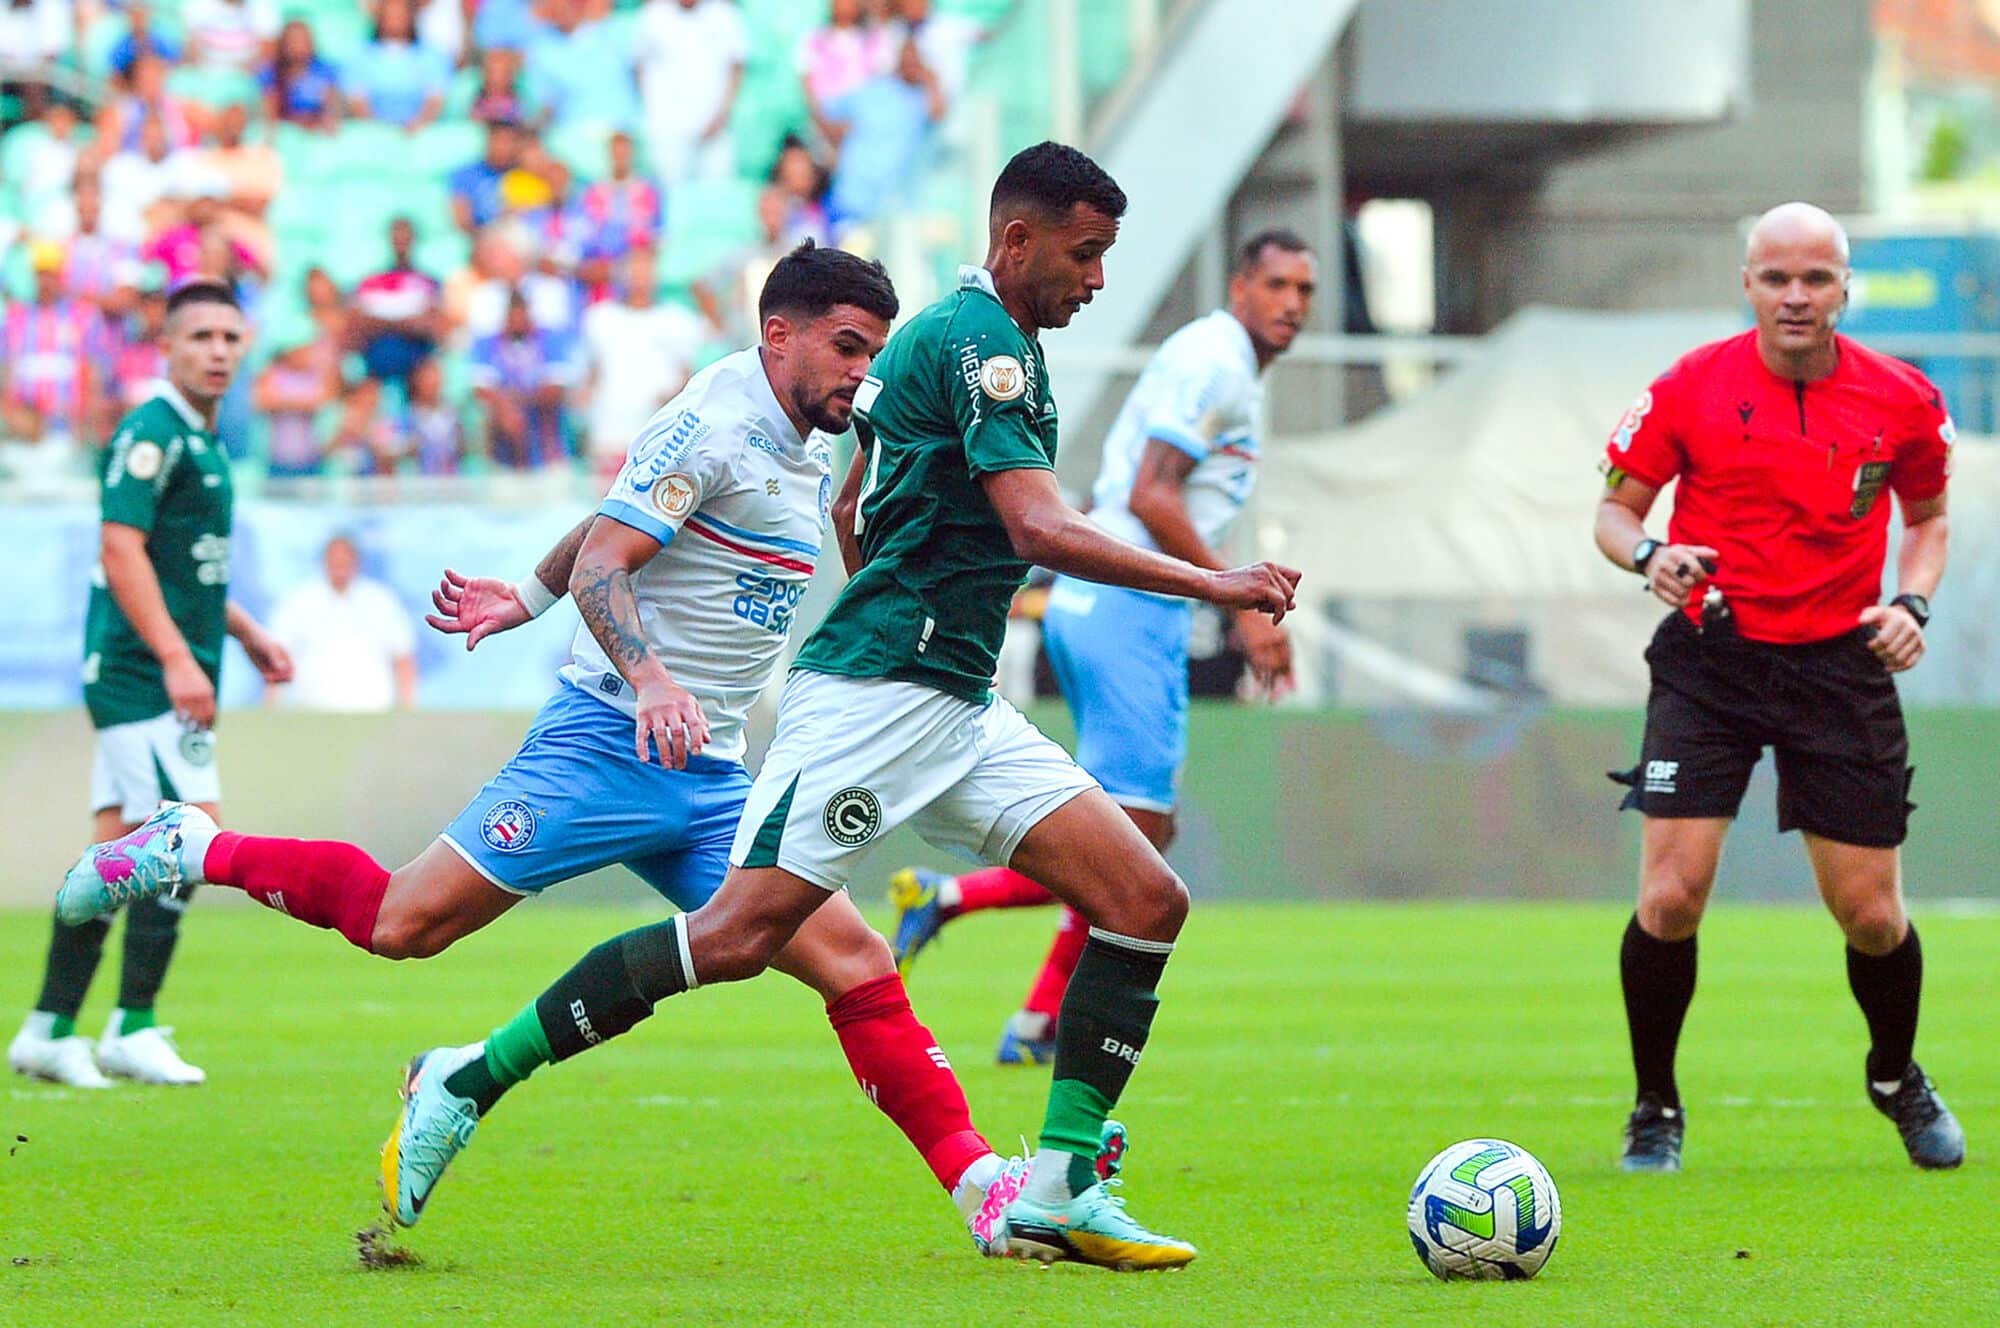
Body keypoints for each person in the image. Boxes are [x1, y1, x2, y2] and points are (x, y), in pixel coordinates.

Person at [392, 141, 1294, 1271]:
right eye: (1085, 253)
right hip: (875, 695)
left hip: (953, 694)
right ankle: (469, 1073)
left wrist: (888, 564)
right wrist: (1215, 582)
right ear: (1016, 241)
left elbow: (859, 488)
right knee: (732, 937)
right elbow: (1036, 527)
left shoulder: (990, 345)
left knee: (1143, 895)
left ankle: (1057, 1188)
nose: (1097, 278)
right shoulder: (977, 345)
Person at [57, 246, 1051, 1256]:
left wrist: (525, 592)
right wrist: (650, 674)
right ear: (778, 333)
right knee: (403, 923)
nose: (859, 370)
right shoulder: (712, 417)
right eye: (845, 346)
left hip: (704, 774)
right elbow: (612, 561)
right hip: (604, 743)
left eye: (872, 352)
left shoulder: (804, 438)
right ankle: (197, 845)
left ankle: (978, 1185)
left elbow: (619, 509)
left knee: (852, 957)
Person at [889, 229, 1318, 1065]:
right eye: (1276, 285)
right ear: (1239, 288)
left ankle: (1030, 1012)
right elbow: (1151, 494)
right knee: (1135, 838)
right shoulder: (1219, 363)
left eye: (1304, 290)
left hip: (1099, 605)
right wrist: (1242, 605)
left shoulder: (1212, 357)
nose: (1292, 304)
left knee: (1130, 829)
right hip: (1129, 607)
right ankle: (971, 929)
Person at [1596, 202, 1962, 1173]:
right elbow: (1612, 508)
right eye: (1774, 277)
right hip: (1709, 658)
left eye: (1814, 278)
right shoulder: (1688, 386)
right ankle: (1653, 1106)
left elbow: (1927, 519)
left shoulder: (1903, 398)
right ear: (1746, 284)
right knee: (1670, 896)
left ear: (1845, 286)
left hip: (1837, 665)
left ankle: (1893, 1074)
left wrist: (1910, 606)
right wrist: (1648, 554)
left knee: (1873, 917)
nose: (1794, 295)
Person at [7, 279, 292, 1089]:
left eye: (231, 338)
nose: (218, 351)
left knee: (116, 850)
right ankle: (131, 1024)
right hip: (142, 677)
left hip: (164, 670)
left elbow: (182, 568)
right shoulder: (153, 431)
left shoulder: (204, 440)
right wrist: (175, 658)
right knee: (190, 835)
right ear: (165, 345)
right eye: (200, 336)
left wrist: (246, 633)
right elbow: (121, 548)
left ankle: (47, 1027)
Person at [579, 245, 709, 477]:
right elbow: (592, 374)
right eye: (634, 269)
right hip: (611, 433)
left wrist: (672, 397)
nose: (640, 277)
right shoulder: (600, 317)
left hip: (660, 437)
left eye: (646, 269)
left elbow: (689, 375)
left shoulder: (677, 319)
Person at [268, 535, 419, 711]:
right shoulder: (300, 601)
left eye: (345, 559)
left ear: (356, 563)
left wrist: (408, 709)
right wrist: (272, 708)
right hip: (313, 711)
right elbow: (277, 657)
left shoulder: (380, 600)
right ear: (324, 562)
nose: (340, 565)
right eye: (334, 560)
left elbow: (403, 657)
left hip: (372, 710)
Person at [822, 35, 943, 229]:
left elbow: (938, 114)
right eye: (906, 56)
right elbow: (827, 110)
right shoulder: (874, 89)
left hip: (892, 207)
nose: (910, 62)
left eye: (915, 58)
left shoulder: (920, 100)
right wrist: (836, 142)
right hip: (852, 196)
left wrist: (931, 79)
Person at [631, 0, 747, 186]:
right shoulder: (653, 15)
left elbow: (736, 67)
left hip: (714, 129)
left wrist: (722, 116)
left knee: (717, 191)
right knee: (671, 194)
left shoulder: (723, 14)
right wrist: (657, 113)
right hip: (667, 130)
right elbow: (639, 66)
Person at [469, 289, 576, 469]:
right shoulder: (487, 344)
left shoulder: (550, 340)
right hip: (502, 451)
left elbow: (553, 389)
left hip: (545, 446)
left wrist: (516, 403)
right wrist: (506, 409)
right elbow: (481, 389)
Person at [349, 216, 444, 392]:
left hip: (416, 367)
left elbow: (432, 327)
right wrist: (406, 323)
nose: (401, 243)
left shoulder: (429, 283)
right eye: (396, 237)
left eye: (405, 238)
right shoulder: (372, 282)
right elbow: (358, 325)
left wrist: (382, 321)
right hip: (374, 366)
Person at [341, 0, 450, 131]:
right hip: (373, 133)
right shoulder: (360, 56)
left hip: (420, 133)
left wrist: (417, 126)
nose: (396, 19)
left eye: (401, 14)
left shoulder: (432, 55)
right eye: (390, 14)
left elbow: (435, 100)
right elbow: (358, 102)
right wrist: (380, 130)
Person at [261, 18, 342, 129]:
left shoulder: (325, 70)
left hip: (318, 132)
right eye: (294, 40)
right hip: (286, 131)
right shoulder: (271, 73)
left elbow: (331, 110)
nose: (299, 45)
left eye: (304, 39)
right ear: (284, 43)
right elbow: (270, 114)